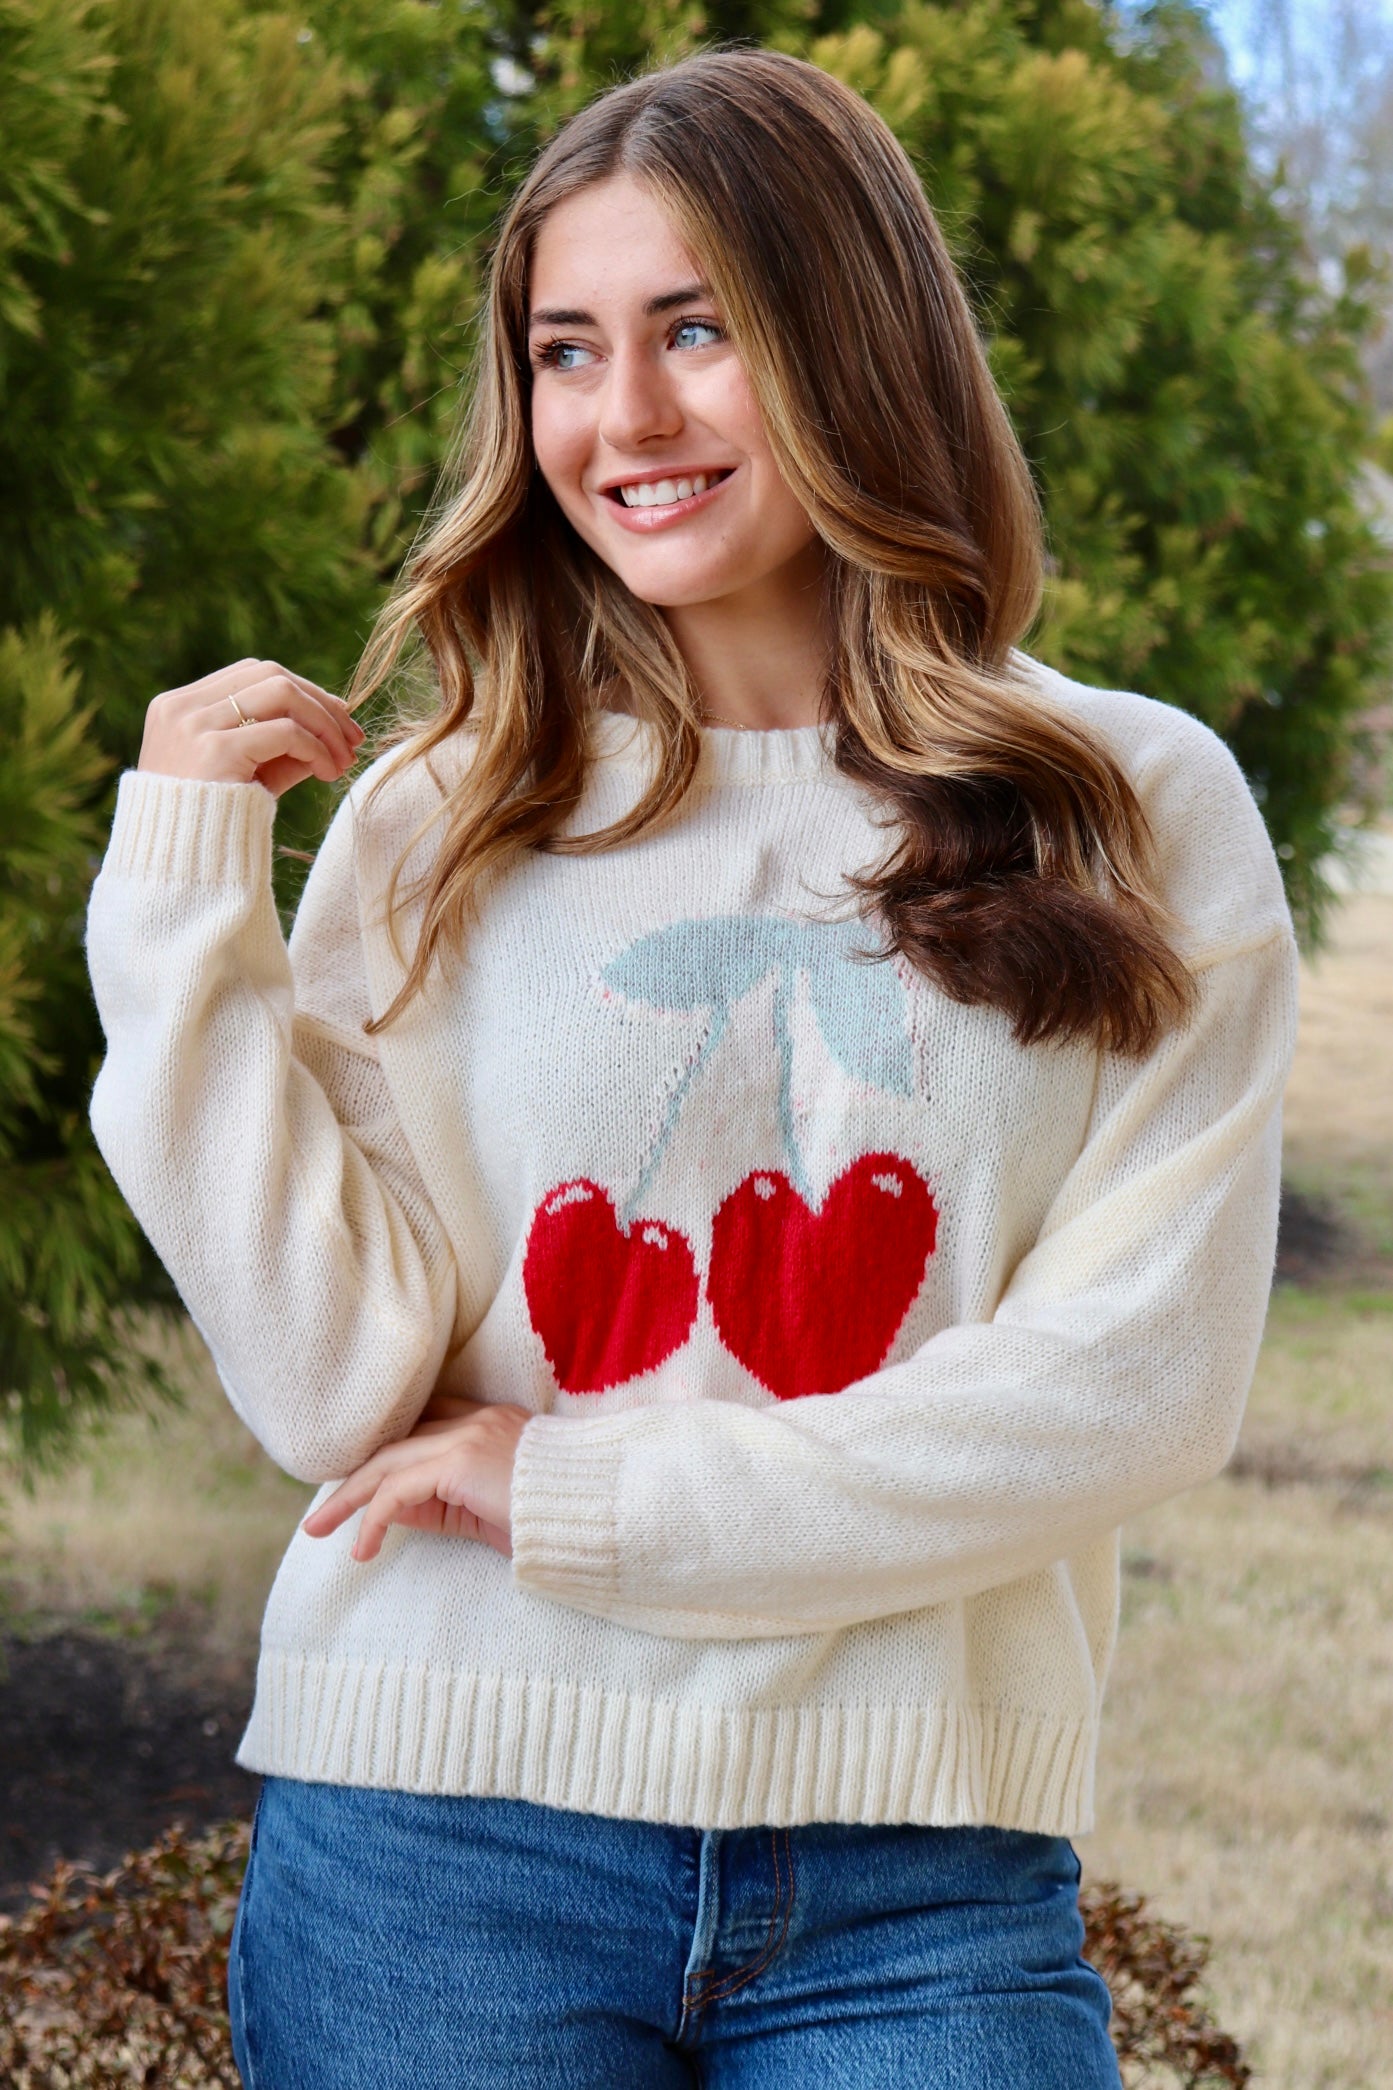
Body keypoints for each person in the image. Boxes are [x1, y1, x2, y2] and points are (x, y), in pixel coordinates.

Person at [83, 46, 1298, 2090]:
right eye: (567, 350)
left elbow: (1128, 1386)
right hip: (435, 1851)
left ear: (851, 343)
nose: (622, 417)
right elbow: (328, 1381)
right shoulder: (443, 818)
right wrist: (176, 899)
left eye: (696, 331)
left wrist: (574, 1489)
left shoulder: (1130, 803)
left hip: (919, 1881)